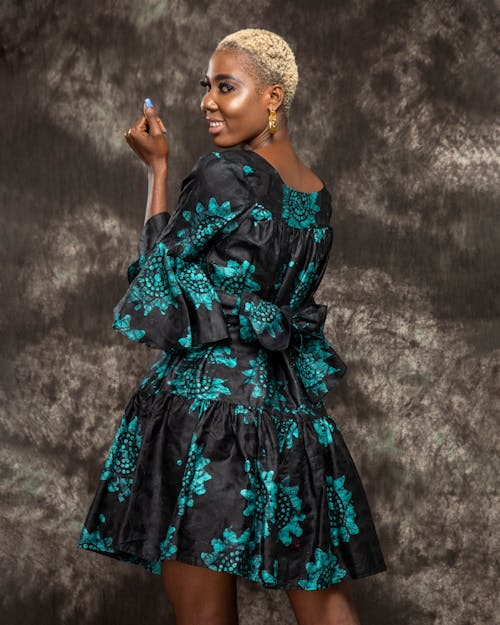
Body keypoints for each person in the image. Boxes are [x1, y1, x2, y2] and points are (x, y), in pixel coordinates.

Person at [77, 28, 387, 625]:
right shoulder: (317, 194)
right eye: (207, 87)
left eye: (226, 86)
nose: (207, 102)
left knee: (203, 615)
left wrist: (158, 172)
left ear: (273, 97)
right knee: (323, 602)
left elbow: (158, 281)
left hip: (206, 416)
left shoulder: (226, 173)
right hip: (291, 418)